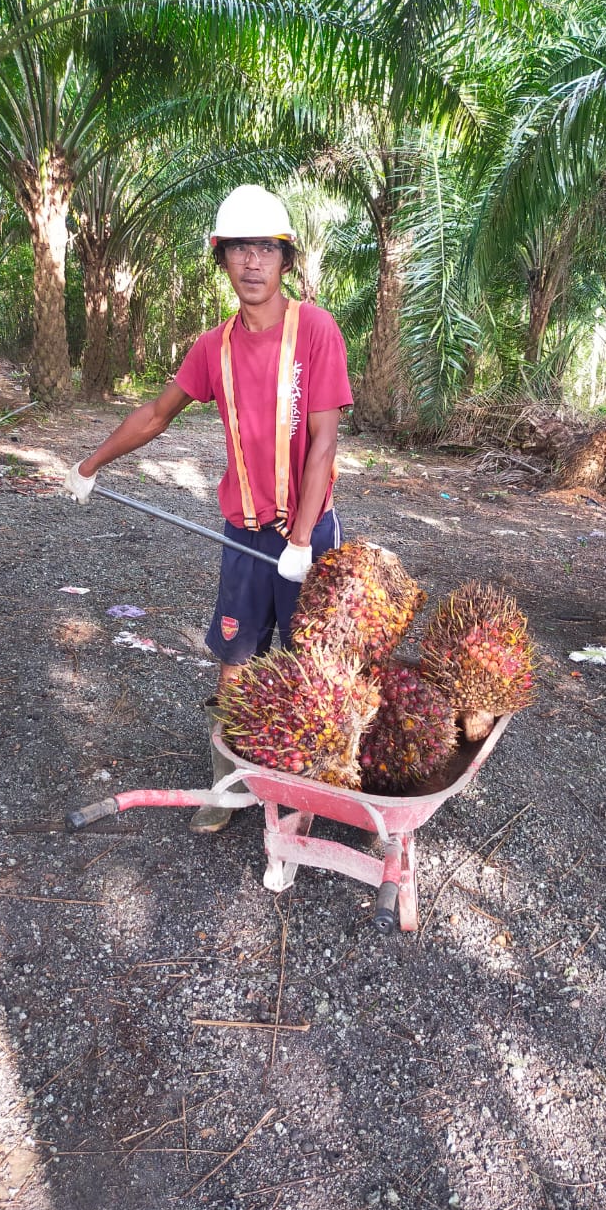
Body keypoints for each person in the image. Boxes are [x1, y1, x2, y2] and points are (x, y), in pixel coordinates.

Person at [62, 184, 353, 831]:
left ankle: (300, 797)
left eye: (264, 249)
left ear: (284, 259)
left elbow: (325, 440)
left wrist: (303, 539)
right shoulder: (212, 348)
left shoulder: (316, 330)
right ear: (221, 259)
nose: (252, 262)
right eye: (238, 249)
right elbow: (155, 416)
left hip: (309, 535)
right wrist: (89, 465)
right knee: (236, 661)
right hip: (243, 536)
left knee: (311, 665)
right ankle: (228, 786)